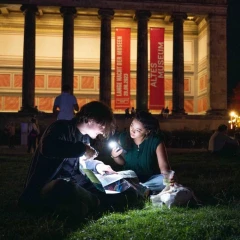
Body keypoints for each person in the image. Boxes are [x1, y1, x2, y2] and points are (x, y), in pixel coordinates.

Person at [18, 101, 141, 218]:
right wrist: (82, 149)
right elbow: (48, 147)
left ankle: (92, 203)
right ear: (89, 119)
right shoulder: (60, 127)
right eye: (102, 124)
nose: (103, 130)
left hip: (77, 184)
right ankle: (98, 203)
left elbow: (81, 163)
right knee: (64, 187)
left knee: (128, 192)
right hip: (47, 187)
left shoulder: (84, 138)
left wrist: (98, 165)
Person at [111, 110, 175, 193]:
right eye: (131, 126)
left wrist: (168, 177)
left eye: (138, 130)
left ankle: (140, 189)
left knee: (163, 180)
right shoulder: (123, 138)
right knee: (117, 178)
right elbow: (122, 162)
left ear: (147, 131)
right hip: (130, 178)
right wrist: (115, 156)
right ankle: (142, 190)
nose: (132, 131)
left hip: (150, 179)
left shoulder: (155, 142)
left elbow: (164, 167)